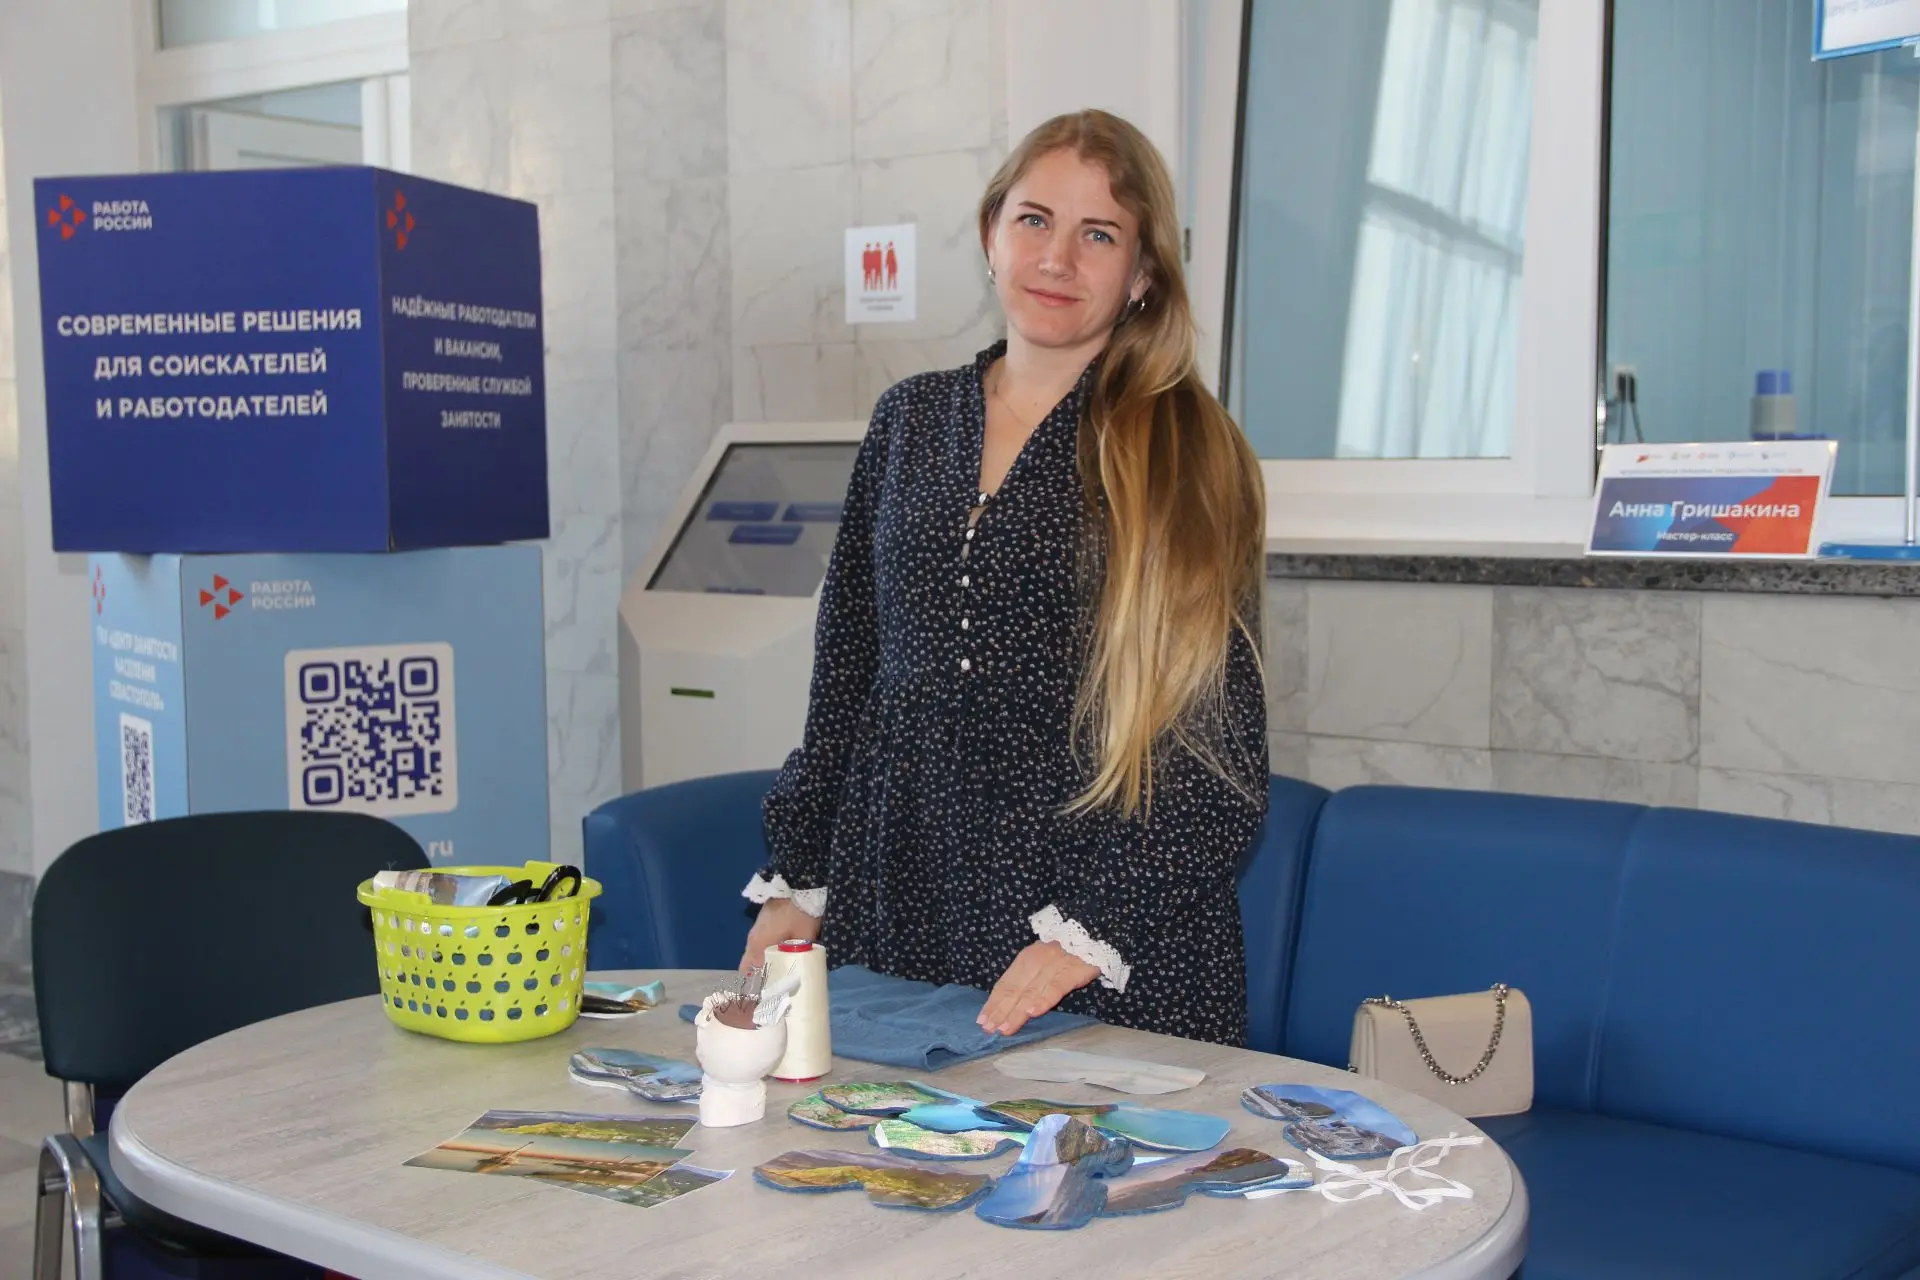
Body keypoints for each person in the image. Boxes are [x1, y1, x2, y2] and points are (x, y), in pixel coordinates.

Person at [738, 109, 1269, 1047]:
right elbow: (848, 673)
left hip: (1098, 934)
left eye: (1098, 235)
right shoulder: (907, 421)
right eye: (1034, 220)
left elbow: (1214, 746)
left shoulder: (1185, 449)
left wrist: (1088, 930)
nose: (1057, 258)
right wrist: (800, 876)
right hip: (903, 898)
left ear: (1142, 273)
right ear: (991, 234)